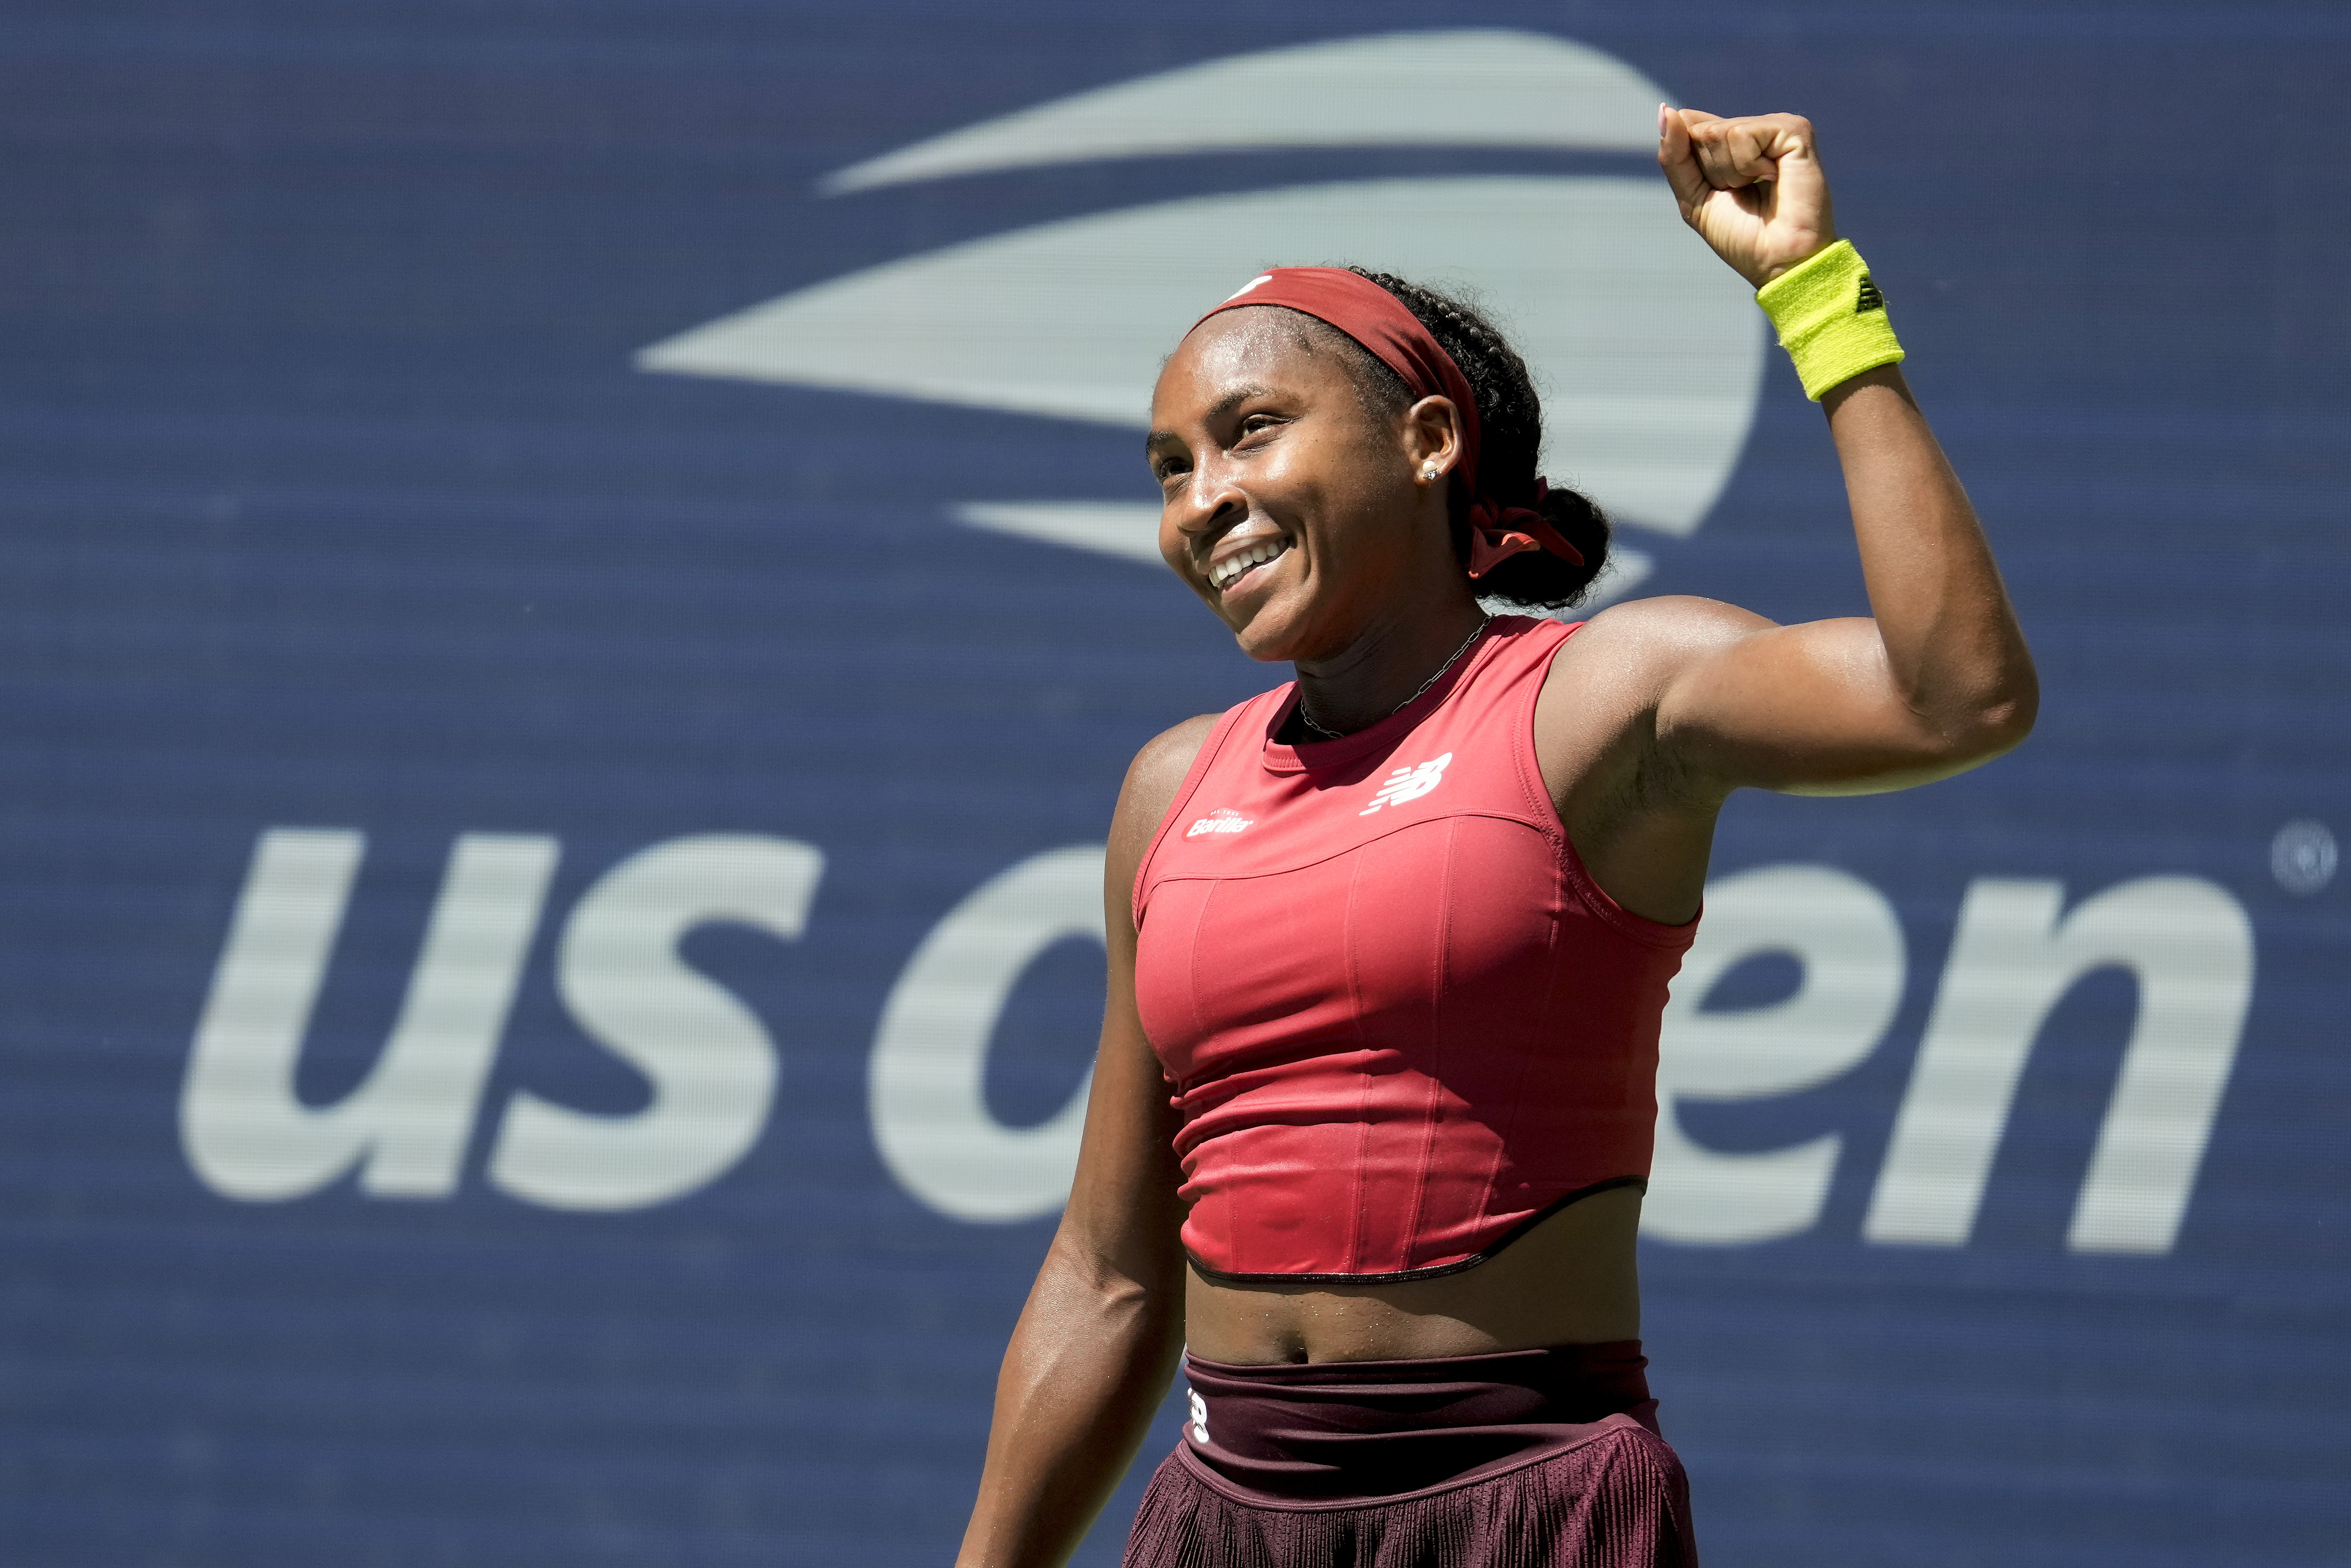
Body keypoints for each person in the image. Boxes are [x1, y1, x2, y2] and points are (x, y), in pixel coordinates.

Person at [952, 105, 2037, 1568]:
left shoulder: (1603, 700)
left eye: (1250, 432)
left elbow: (1956, 694)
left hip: (1524, 1507)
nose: (1204, 501)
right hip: (1220, 1520)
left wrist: (1816, 295)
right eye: (1169, 467)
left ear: (1428, 439)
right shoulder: (1168, 789)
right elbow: (1108, 1273)